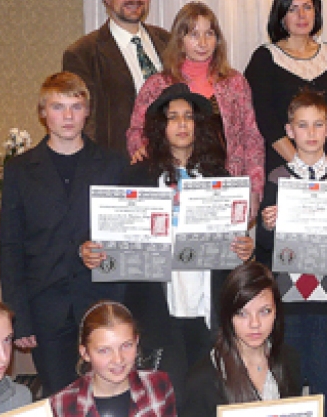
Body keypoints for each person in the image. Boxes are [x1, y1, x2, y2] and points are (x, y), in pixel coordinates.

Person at [88, 83, 254, 398]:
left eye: (188, 117)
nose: (181, 124)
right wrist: (94, 250)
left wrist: (244, 248)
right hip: (157, 311)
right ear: (160, 127)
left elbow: (235, 244)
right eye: (172, 117)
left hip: (210, 310)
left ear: (199, 125)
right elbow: (110, 240)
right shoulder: (136, 178)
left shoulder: (222, 178)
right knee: (168, 397)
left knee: (210, 396)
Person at [0, 72, 127, 394]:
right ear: (43, 113)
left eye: (76, 106)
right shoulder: (20, 170)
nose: (68, 116)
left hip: (102, 301)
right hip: (46, 307)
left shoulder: (113, 164)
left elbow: (130, 233)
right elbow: (11, 248)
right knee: (61, 396)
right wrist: (20, 318)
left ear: (88, 111)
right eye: (58, 107)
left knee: (108, 393)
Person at [256, 91, 327, 413]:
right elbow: (264, 241)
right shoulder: (278, 178)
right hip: (287, 293)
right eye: (303, 126)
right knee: (288, 376)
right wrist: (267, 224)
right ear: (290, 131)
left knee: (324, 377)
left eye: (318, 125)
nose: (312, 133)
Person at [126, 1, 266, 210]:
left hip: (228, 186)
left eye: (209, 34)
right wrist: (140, 147)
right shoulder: (158, 84)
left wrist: (255, 187)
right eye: (193, 34)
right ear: (180, 41)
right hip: (172, 188)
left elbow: (251, 137)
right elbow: (136, 130)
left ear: (217, 39)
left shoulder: (235, 82)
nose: (202, 42)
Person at [63, 0, 170, 155]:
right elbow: (85, 124)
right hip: (118, 169)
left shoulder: (169, 42)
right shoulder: (82, 54)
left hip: (173, 164)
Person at [244, 0, 327, 174]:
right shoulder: (265, 57)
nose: (301, 15)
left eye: (307, 7)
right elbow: (265, 118)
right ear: (281, 16)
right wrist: (298, 164)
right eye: (292, 9)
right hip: (282, 165)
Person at [180, 262, 302, 417]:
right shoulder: (203, 378)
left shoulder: (289, 359)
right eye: (242, 313)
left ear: (276, 312)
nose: (255, 323)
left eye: (265, 311)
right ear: (228, 316)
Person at [50, 301, 176, 417]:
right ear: (85, 353)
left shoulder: (159, 384)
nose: (118, 359)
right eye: (104, 350)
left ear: (136, 342)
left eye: (126, 345)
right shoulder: (61, 405)